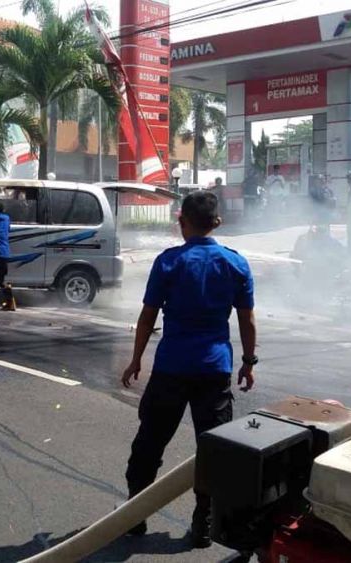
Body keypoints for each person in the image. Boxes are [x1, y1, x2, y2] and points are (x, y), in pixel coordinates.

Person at [121, 191, 256, 546]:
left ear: (181, 222)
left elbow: (147, 316)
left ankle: (134, 515)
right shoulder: (236, 263)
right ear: (217, 223)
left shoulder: (169, 262)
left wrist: (136, 359)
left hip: (171, 369)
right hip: (215, 369)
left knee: (150, 442)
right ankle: (204, 524)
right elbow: (247, 320)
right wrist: (248, 362)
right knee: (212, 449)